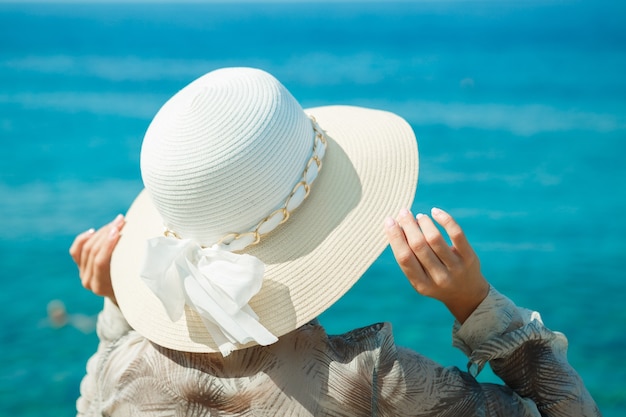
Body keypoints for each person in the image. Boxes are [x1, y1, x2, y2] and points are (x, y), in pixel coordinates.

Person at [70, 67, 600, 416]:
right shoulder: (368, 381)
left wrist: (117, 312)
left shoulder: (124, 370)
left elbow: (93, 400)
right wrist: (477, 305)